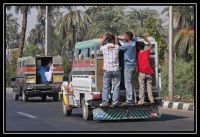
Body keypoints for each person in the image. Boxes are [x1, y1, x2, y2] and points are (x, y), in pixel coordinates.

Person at [99, 33, 121, 107]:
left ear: (107, 40)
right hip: (116, 70)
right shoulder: (117, 47)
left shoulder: (104, 48)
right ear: (113, 40)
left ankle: (105, 102)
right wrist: (116, 38)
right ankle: (115, 102)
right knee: (116, 86)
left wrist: (103, 38)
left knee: (106, 86)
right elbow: (117, 44)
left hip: (107, 70)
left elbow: (100, 46)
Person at [116, 31, 137, 105]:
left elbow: (117, 48)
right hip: (133, 66)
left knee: (127, 83)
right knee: (131, 83)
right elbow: (134, 36)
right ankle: (133, 99)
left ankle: (129, 100)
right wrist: (119, 37)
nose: (124, 37)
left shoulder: (126, 45)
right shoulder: (134, 43)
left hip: (128, 66)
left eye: (125, 36)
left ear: (128, 37)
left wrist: (116, 39)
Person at [136, 35, 155, 105]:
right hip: (149, 72)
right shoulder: (146, 52)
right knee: (149, 86)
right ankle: (151, 100)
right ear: (144, 46)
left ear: (138, 47)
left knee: (142, 87)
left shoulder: (137, 54)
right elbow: (150, 45)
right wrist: (146, 39)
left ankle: (141, 100)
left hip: (142, 73)